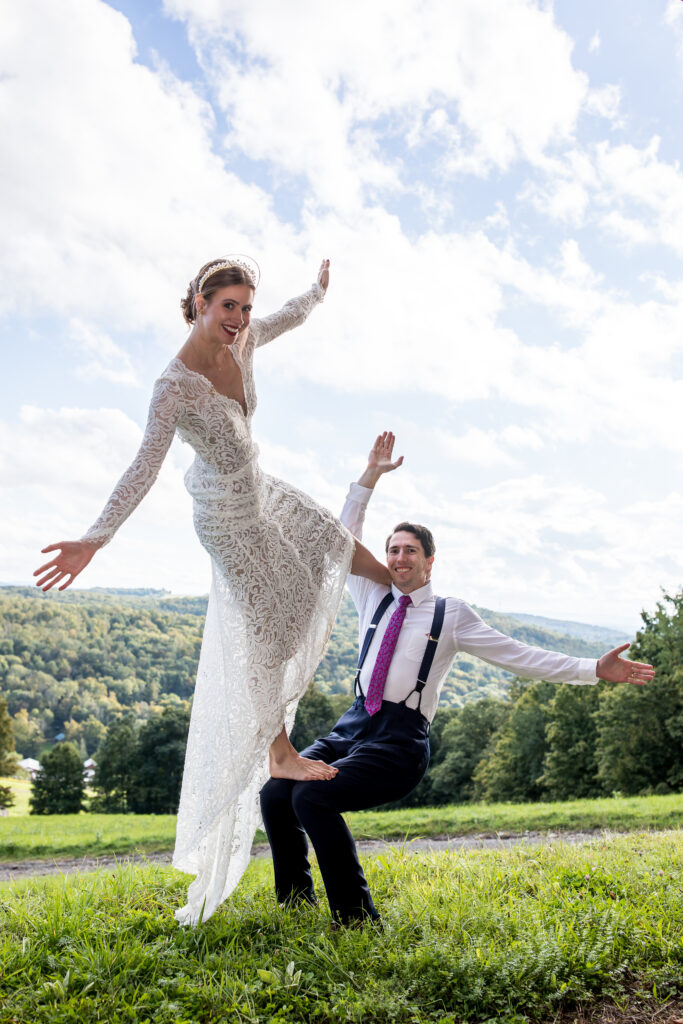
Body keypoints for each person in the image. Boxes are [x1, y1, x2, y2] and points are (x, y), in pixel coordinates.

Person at [33, 257, 391, 925]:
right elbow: (143, 463)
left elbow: (283, 319)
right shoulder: (172, 386)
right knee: (272, 623)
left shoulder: (248, 335)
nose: (239, 320)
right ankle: (278, 751)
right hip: (225, 515)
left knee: (321, 537)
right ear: (198, 301)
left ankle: (399, 585)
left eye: (244, 307)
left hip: (258, 487)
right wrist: (95, 536)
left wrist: (314, 294)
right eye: (227, 306)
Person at [260, 431, 655, 928]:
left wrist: (592, 670)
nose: (399, 558)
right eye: (393, 550)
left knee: (312, 796)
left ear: (429, 561)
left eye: (409, 551)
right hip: (353, 725)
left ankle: (357, 919)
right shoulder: (371, 595)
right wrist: (370, 477)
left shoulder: (452, 616)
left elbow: (519, 656)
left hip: (399, 744)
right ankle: (295, 904)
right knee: (277, 788)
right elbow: (345, 536)